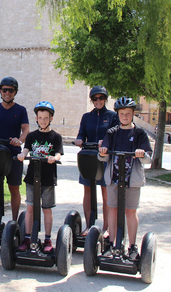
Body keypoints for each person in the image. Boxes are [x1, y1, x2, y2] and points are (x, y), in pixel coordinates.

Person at [98, 96, 152, 261]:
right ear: (118, 115)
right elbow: (103, 157)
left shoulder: (140, 133)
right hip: (114, 179)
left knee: (130, 211)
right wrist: (102, 152)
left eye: (128, 114)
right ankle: (113, 244)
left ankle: (132, 246)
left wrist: (141, 154)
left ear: (133, 114)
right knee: (113, 209)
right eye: (122, 114)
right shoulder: (112, 133)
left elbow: (148, 158)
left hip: (132, 179)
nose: (125, 117)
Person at [17, 101, 63, 253]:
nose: (43, 120)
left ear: (51, 119)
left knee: (47, 209)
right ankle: (28, 237)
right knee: (30, 207)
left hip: (48, 178)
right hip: (32, 178)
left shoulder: (55, 137)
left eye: (46, 118)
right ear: (36, 118)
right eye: (40, 117)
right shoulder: (31, 136)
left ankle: (48, 238)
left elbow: (57, 153)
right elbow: (26, 150)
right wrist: (22, 155)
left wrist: (54, 158)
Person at [74, 85, 119, 237]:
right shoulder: (87, 117)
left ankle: (106, 228)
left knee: (105, 192)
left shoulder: (113, 116)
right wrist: (79, 139)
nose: (98, 101)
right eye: (95, 98)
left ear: (105, 99)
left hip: (105, 158)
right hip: (88, 157)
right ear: (92, 100)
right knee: (87, 191)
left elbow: (115, 135)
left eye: (100, 98)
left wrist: (105, 141)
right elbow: (81, 134)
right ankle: (88, 226)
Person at [0, 77, 29, 221]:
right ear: (0, 91)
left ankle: (15, 221)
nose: (7, 93)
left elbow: (25, 130)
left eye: (10, 90)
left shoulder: (21, 110)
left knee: (14, 187)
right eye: (4, 90)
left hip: (13, 153)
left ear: (15, 92)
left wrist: (20, 140)